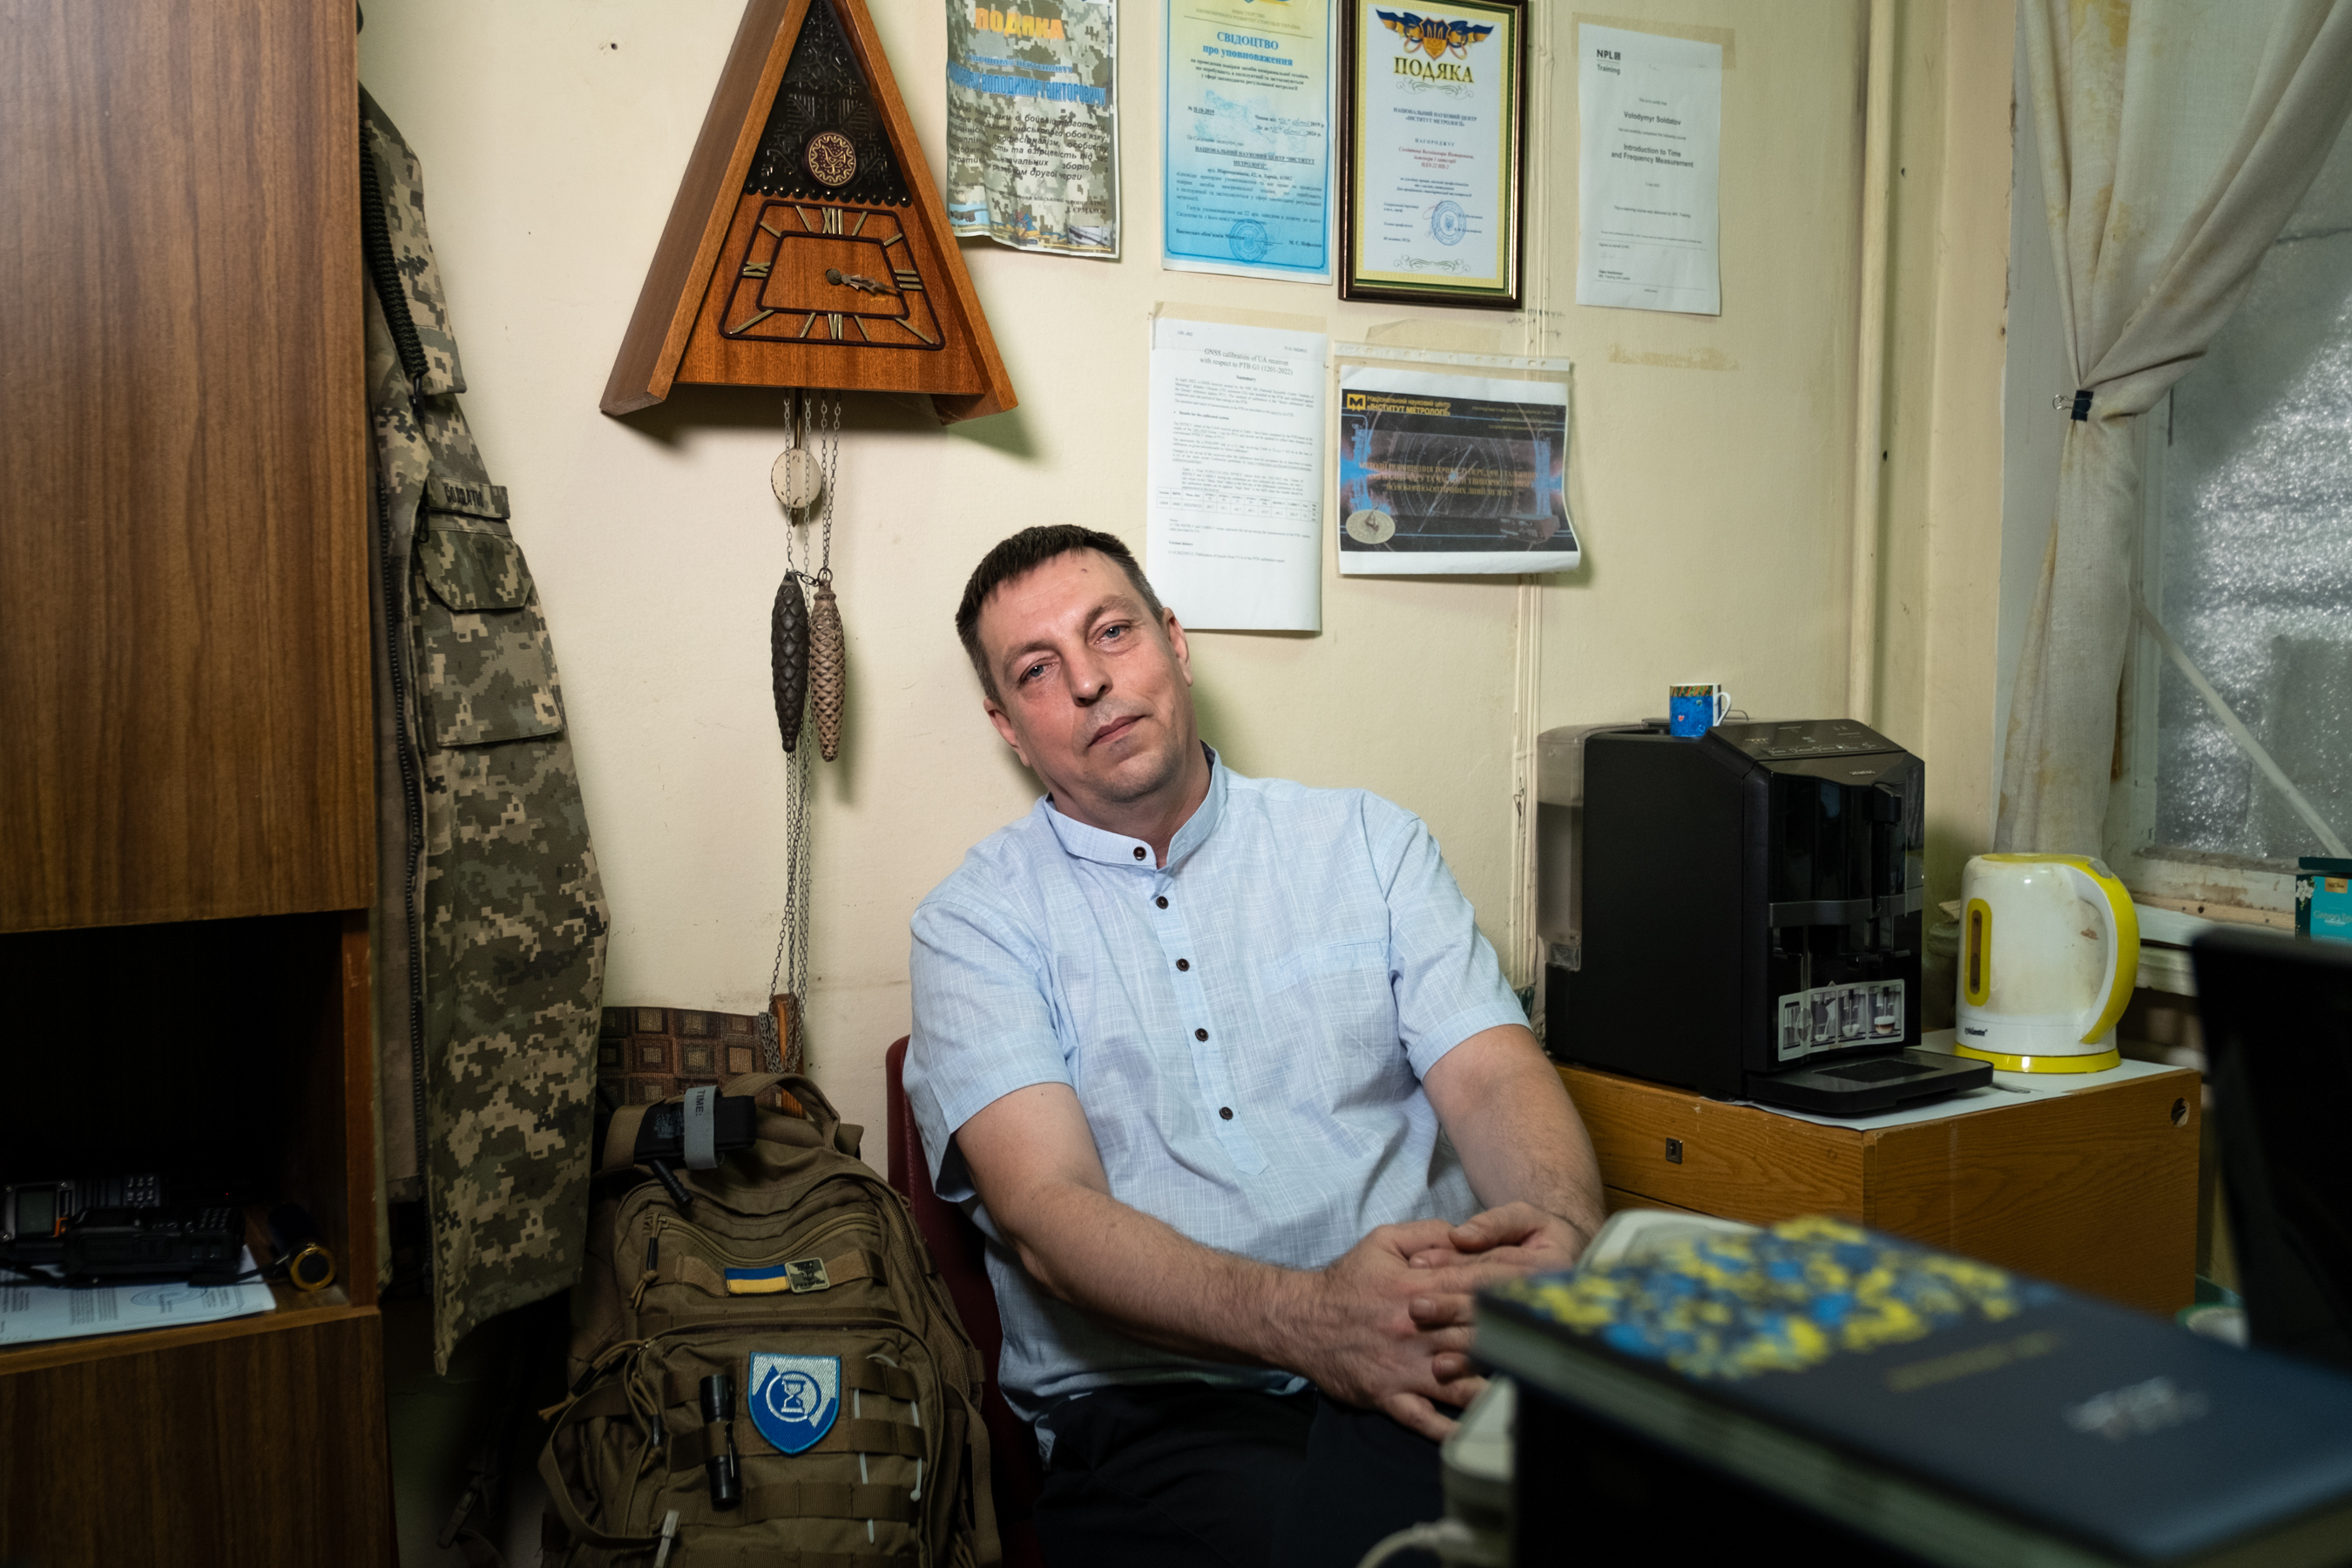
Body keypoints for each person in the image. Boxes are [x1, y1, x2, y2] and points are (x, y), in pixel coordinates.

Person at [906, 525, 1605, 1568]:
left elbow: (1496, 1071)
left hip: (1438, 1343)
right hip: (1169, 1409)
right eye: (1040, 671)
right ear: (1009, 726)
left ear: (1175, 645)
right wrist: (1316, 1320)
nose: (1093, 682)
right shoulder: (974, 926)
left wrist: (1560, 1236)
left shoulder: (1368, 843)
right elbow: (1050, 1220)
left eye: (1113, 633)